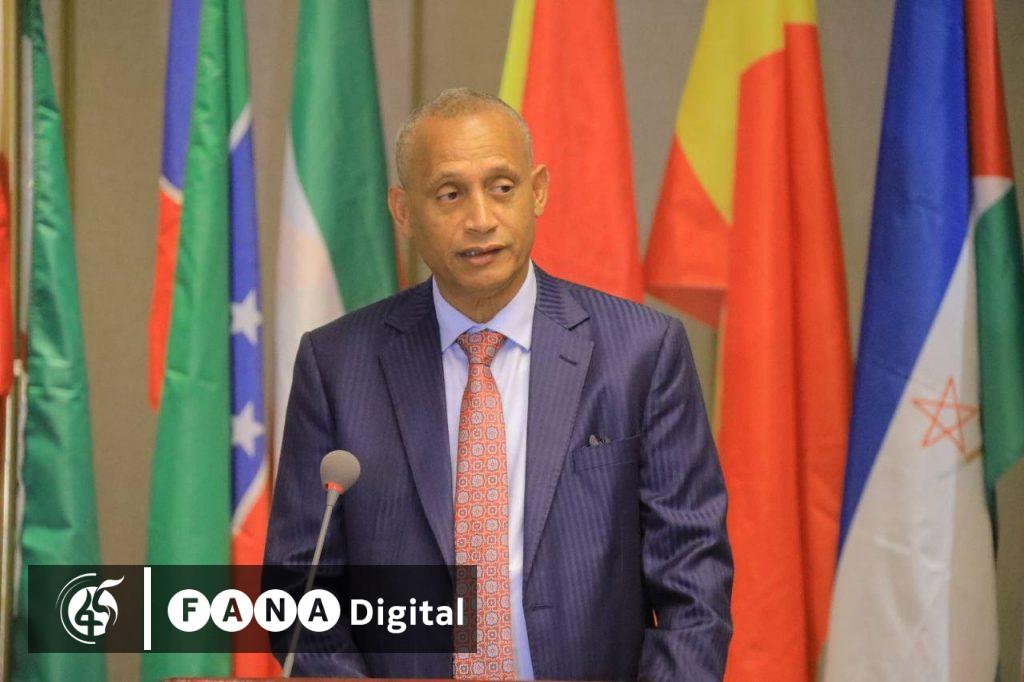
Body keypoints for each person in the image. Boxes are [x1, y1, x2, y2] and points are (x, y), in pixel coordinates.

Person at [264, 87, 732, 680]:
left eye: (502, 187)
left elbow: (694, 583)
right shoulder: (336, 364)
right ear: (404, 212)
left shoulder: (641, 352)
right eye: (450, 193)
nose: (480, 219)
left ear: (537, 191)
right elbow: (299, 593)